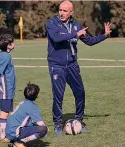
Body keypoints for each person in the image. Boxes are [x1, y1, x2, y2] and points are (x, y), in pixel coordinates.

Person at [46, 0, 112, 136]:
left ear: (71, 12)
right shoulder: (52, 23)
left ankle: (79, 120)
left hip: (72, 65)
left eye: (65, 11)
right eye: (60, 10)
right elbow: (57, 38)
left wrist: (104, 35)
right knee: (58, 96)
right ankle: (58, 123)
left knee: (80, 92)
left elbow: (89, 41)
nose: (61, 13)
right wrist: (76, 34)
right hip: (56, 66)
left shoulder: (76, 25)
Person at [0, 34, 16, 142]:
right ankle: (2, 135)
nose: (14, 44)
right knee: (4, 111)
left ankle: (6, 132)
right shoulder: (5, 56)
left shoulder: (5, 55)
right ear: (8, 45)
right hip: (5, 89)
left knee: (7, 111)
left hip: (9, 89)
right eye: (12, 42)